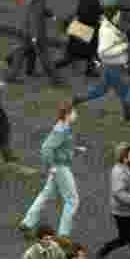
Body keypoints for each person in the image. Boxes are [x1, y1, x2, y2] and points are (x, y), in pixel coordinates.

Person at [73, 7, 130, 127]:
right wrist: (124, 47)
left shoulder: (111, 27)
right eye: (118, 15)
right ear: (112, 16)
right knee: (126, 92)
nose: (119, 17)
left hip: (111, 66)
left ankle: (77, 99)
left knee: (101, 90)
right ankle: (129, 118)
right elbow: (104, 52)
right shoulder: (107, 30)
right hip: (112, 67)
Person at [20, 101, 79, 238]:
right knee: (72, 200)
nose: (76, 114)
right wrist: (52, 165)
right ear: (67, 115)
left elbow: (60, 147)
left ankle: (27, 222)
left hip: (58, 166)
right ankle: (63, 233)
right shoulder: (61, 130)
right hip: (60, 168)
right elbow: (46, 148)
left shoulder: (64, 127)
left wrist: (74, 150)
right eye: (74, 112)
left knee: (46, 195)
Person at [6, 0, 62, 86]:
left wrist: (48, 13)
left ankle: (14, 74)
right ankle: (55, 79)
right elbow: (34, 17)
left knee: (21, 52)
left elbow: (26, 7)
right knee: (44, 54)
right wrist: (35, 36)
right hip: (34, 31)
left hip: (22, 26)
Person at [96, 144, 130, 259]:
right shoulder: (120, 173)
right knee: (125, 238)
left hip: (126, 211)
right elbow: (118, 193)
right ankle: (103, 252)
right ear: (124, 158)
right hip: (123, 212)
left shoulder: (123, 169)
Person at [54, 0, 101, 77]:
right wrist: (98, 19)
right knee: (91, 51)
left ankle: (63, 62)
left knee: (73, 50)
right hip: (88, 27)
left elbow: (81, 10)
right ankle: (90, 69)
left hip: (80, 25)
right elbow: (90, 12)